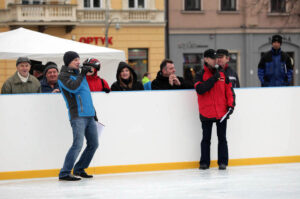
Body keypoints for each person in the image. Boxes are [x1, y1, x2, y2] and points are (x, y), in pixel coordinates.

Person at [57, 51, 99, 181]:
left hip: (89, 115)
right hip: (78, 116)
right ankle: (64, 173)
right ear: (68, 61)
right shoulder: (62, 76)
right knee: (78, 144)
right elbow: (73, 88)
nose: (78, 62)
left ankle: (79, 169)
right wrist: (82, 74)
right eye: (75, 59)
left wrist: (94, 112)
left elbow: (86, 95)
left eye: (78, 59)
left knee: (94, 144)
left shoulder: (80, 75)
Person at [194, 49, 235, 170]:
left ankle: (223, 162)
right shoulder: (199, 75)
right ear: (206, 59)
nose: (216, 60)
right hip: (206, 112)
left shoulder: (223, 74)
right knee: (206, 138)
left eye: (216, 58)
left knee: (222, 138)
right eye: (213, 58)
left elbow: (229, 91)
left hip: (221, 112)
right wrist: (213, 78)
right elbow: (200, 89)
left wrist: (231, 105)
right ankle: (204, 162)